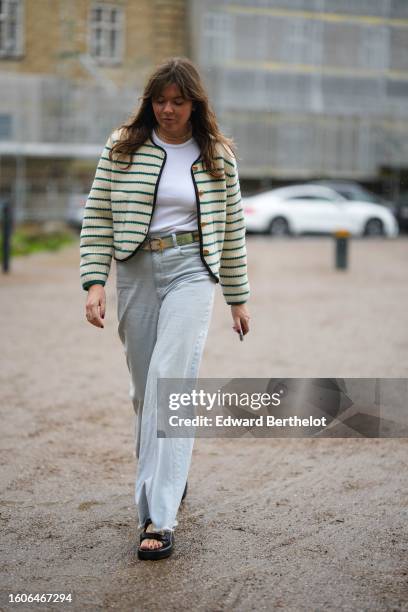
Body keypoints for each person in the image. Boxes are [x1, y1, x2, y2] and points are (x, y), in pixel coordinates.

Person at [79, 56, 251, 560]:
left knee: (169, 384)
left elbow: (233, 231)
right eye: (159, 100)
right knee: (143, 392)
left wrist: (238, 298)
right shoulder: (123, 147)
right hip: (135, 269)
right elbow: (97, 215)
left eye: (178, 101)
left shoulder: (217, 154)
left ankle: (158, 515)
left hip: (192, 269)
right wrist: (94, 283)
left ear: (195, 103)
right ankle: (169, 479)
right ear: (148, 101)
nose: (168, 109)